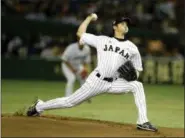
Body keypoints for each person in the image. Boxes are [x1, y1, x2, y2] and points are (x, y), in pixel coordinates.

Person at [27, 13, 158, 132]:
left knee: (137, 85)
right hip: (96, 81)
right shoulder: (102, 40)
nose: (125, 25)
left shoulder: (132, 48)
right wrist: (89, 18)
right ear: (114, 26)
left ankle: (143, 122)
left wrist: (134, 75)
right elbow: (80, 33)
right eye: (121, 23)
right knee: (70, 102)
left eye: (126, 23)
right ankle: (39, 106)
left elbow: (138, 70)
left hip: (114, 83)